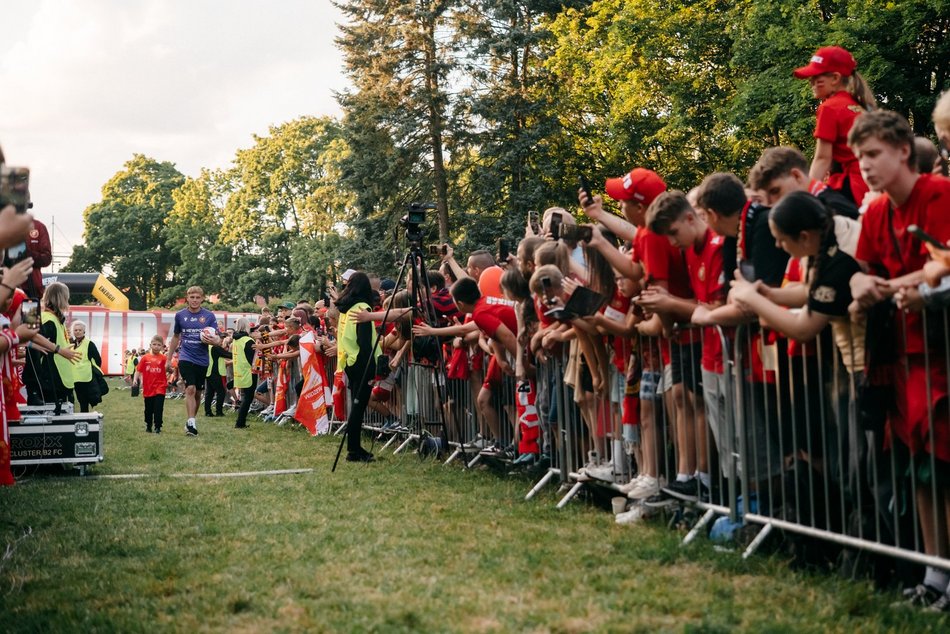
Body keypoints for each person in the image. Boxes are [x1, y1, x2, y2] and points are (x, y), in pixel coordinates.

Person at [846, 109, 950, 611]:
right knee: (920, 469)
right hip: (901, 356)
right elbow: (862, 271)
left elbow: (943, 264)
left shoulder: (938, 194)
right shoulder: (877, 210)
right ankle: (935, 574)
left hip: (941, 350)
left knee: (943, 465)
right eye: (859, 157)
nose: (864, 166)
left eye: (873, 155)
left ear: (903, 151)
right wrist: (861, 285)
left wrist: (894, 285)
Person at [793, 45, 876, 206]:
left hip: (852, 188)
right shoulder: (859, 106)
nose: (812, 83)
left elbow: (823, 158)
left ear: (835, 78)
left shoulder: (829, 107)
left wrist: (806, 194)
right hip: (870, 184)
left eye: (817, 78)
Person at [336, 271, 379, 462]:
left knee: (356, 405)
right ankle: (353, 450)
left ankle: (354, 447)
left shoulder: (346, 309)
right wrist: (372, 365)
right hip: (363, 362)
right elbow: (365, 342)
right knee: (358, 408)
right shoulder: (362, 308)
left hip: (349, 361)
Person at [166, 286, 217, 436]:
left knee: (198, 392)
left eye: (197, 297)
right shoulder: (180, 316)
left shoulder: (209, 316)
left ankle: (191, 420)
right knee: (190, 389)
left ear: (202, 298)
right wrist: (168, 359)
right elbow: (176, 337)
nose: (194, 300)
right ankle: (191, 422)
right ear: (187, 298)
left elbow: (218, 337)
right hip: (185, 356)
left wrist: (215, 340)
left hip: (202, 359)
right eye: (192, 297)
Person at [25, 281, 80, 412]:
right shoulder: (42, 314)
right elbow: (30, 339)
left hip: (59, 379)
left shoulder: (55, 318)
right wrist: (59, 350)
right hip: (51, 381)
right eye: (66, 297)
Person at [133, 335, 168, 433]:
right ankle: (148, 424)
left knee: (158, 407)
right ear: (150, 345)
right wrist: (135, 379)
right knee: (148, 409)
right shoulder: (145, 358)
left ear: (162, 346)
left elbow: (169, 369)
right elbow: (138, 370)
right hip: (148, 387)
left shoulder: (164, 358)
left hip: (160, 386)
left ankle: (158, 426)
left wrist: (170, 369)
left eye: (159, 345)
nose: (156, 346)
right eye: (154, 344)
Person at [70, 320, 103, 413]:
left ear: (84, 331)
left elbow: (98, 359)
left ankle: (84, 417)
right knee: (80, 399)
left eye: (80, 330)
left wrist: (94, 371)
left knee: (85, 401)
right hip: (75, 378)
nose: (77, 331)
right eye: (75, 330)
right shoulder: (71, 344)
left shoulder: (89, 344)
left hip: (86, 377)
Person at [230, 318, 257, 429]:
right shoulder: (248, 340)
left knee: (245, 397)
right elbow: (252, 357)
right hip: (248, 371)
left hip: (239, 370)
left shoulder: (236, 339)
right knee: (248, 398)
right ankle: (240, 422)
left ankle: (240, 421)